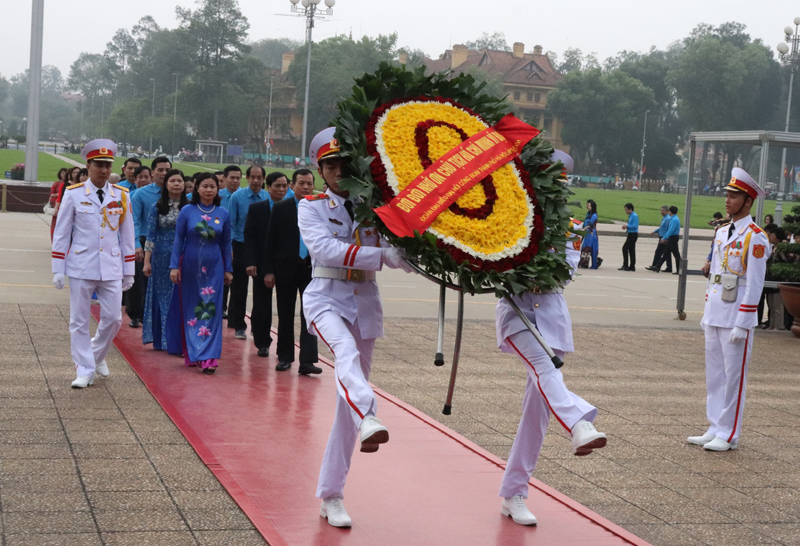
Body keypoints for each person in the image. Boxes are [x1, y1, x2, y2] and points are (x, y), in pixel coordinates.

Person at [299, 128, 414, 528]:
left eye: (344, 164)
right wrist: (382, 256)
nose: (337, 171)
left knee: (346, 403)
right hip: (325, 298)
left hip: (364, 302)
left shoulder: (373, 206)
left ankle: (332, 494)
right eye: (330, 165)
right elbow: (326, 250)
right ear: (321, 170)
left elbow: (398, 251)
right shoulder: (310, 207)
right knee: (343, 355)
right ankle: (369, 413)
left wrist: (418, 255)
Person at [496, 215, 606, 526]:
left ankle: (513, 492)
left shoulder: (570, 226)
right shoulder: (510, 213)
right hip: (518, 313)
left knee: (538, 409)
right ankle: (579, 423)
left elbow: (565, 273)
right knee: (546, 370)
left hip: (552, 315)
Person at [688, 168, 769, 451]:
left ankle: (729, 433)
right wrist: (707, 312)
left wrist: (744, 321)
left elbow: (755, 284)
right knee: (715, 375)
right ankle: (715, 426)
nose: (728, 200)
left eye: (734, 196)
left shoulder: (755, 237)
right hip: (716, 312)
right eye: (728, 194)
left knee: (734, 377)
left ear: (748, 201)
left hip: (736, 315)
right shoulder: (723, 231)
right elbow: (717, 275)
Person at [51, 139, 135, 388]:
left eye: (108, 165)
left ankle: (95, 356)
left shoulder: (120, 195)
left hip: (110, 265)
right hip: (81, 263)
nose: (104, 170)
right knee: (78, 320)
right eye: (99, 165)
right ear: (88, 165)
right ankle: (85, 370)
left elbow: (127, 235)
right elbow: (62, 232)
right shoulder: (74, 193)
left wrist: (128, 270)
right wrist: (58, 267)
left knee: (113, 318)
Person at [168, 172, 233, 373]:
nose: (208, 190)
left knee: (212, 311)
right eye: (204, 186)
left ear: (217, 189)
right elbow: (178, 240)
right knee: (192, 310)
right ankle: (195, 352)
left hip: (215, 268)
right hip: (190, 267)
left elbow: (226, 244)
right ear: (197, 188)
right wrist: (174, 266)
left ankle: (209, 358)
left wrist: (228, 269)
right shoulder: (187, 211)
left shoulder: (223, 213)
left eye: (212, 186)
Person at [264, 168, 321, 374]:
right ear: (292, 186)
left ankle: (308, 360)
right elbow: (270, 241)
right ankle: (285, 356)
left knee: (311, 314)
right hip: (285, 268)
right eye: (301, 183)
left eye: (309, 183)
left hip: (312, 270)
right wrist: (269, 271)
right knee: (285, 314)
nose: (305, 187)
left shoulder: (320, 208)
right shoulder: (281, 208)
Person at [243, 170, 294, 356]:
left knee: (285, 308)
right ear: (268, 187)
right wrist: (251, 262)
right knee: (262, 304)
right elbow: (249, 237)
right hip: (262, 263)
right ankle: (262, 341)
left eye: (284, 186)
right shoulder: (257, 209)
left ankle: (285, 348)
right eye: (277, 186)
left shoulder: (294, 208)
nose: (281, 190)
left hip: (285, 264)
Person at [143, 169, 187, 350]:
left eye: (180, 181)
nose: (176, 184)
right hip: (161, 256)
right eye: (172, 181)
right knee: (163, 296)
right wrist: (147, 261)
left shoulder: (190, 206)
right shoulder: (157, 206)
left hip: (185, 255)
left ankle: (180, 338)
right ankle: (164, 338)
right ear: (166, 184)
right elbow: (150, 235)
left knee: (180, 295)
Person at [227, 165, 270, 340]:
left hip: (261, 248)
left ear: (264, 179)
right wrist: (229, 248)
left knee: (261, 290)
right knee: (239, 288)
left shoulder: (267, 197)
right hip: (240, 246)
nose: (256, 181)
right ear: (247, 177)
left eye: (259, 177)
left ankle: (257, 326)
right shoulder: (237, 197)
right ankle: (239, 325)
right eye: (252, 177)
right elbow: (230, 223)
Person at [128, 157, 171, 328]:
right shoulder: (141, 194)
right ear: (152, 173)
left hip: (167, 240)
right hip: (145, 239)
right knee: (139, 279)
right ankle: (136, 314)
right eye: (160, 170)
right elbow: (134, 221)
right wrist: (137, 244)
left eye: (167, 170)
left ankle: (162, 314)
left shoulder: (176, 192)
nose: (163, 174)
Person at [218, 165, 242, 319]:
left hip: (238, 243)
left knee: (237, 281)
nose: (235, 181)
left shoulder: (243, 196)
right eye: (232, 178)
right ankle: (220, 308)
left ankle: (234, 314)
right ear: (225, 179)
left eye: (238, 178)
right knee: (221, 278)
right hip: (220, 243)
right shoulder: (216, 196)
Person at [654, 206, 681, 274]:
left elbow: (670, 230)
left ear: (670, 211)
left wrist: (664, 238)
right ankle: (658, 266)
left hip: (673, 237)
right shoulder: (673, 218)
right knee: (666, 253)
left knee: (676, 254)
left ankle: (679, 269)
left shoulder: (674, 219)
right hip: (672, 237)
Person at [646, 206, 671, 271]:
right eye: (661, 210)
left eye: (663, 210)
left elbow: (668, 229)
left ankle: (655, 266)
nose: (661, 212)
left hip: (664, 237)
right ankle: (668, 267)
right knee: (666, 253)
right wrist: (655, 231)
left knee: (659, 252)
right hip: (662, 236)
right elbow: (661, 228)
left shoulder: (667, 219)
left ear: (667, 211)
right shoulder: (665, 218)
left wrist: (665, 238)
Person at [580, 200, 600, 269]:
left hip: (591, 233)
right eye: (587, 205)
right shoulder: (588, 213)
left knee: (591, 248)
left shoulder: (594, 215)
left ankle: (594, 264)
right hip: (586, 233)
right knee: (584, 247)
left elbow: (590, 224)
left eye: (588, 205)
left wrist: (583, 230)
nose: (587, 206)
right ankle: (583, 263)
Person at [619, 202, 639, 271]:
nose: (626, 211)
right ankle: (632, 266)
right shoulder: (631, 215)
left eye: (626, 210)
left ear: (631, 209)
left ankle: (626, 265)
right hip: (630, 234)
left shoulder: (634, 216)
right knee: (631, 250)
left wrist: (627, 226)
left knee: (625, 248)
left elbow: (635, 226)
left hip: (633, 234)